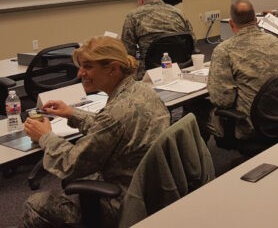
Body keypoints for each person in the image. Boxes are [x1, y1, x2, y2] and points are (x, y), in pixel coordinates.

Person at [22, 36, 170, 228]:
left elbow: (71, 164)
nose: (80, 73)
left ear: (113, 69)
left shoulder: (115, 113)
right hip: (150, 191)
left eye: (88, 67)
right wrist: (72, 114)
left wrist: (44, 136)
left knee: (35, 204)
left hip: (124, 203)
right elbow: (111, 129)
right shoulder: (142, 90)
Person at [202, 0, 278, 139]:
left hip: (248, 124)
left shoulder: (224, 50)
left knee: (197, 112)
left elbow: (223, 100)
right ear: (256, 21)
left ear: (231, 23)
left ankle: (202, 159)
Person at [121, 0, 196, 79]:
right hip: (181, 64)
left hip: (150, 70)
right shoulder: (178, 12)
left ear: (140, 0)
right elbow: (192, 40)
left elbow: (128, 51)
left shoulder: (133, 16)